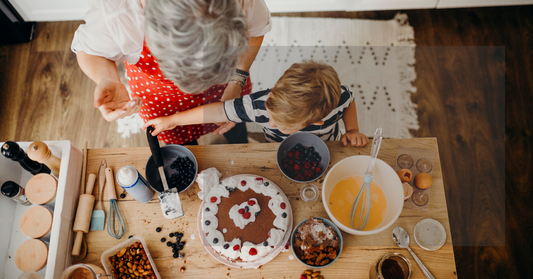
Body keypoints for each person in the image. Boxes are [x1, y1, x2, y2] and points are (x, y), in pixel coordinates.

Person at [71, 0, 272, 144]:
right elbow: (90, 51)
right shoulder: (117, 14)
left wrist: (236, 79)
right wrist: (107, 77)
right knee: (181, 143)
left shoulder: (246, 3)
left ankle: (239, 141)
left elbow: (256, 33)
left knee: (235, 124)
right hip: (161, 96)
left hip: (229, 86)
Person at [142, 61, 370, 147]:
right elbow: (217, 110)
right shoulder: (260, 105)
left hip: (327, 147)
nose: (267, 120)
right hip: (276, 149)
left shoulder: (338, 100)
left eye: (279, 123)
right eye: (271, 112)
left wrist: (352, 130)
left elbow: (349, 103)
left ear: (317, 121)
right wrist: (172, 120)